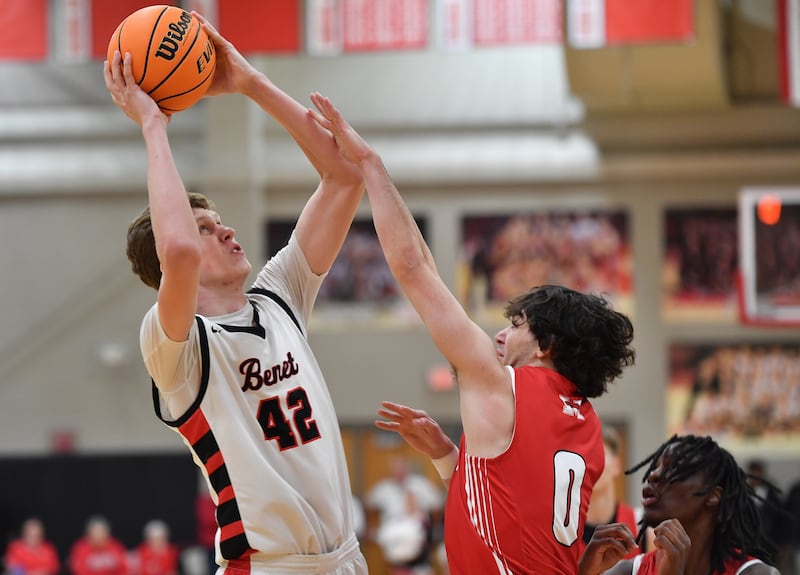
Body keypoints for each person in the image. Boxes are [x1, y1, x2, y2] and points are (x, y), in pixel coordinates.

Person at [309, 94, 636, 574]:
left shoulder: (504, 385)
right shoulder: (586, 424)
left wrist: (369, 163)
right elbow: (511, 511)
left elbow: (414, 269)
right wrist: (448, 456)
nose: (500, 337)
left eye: (516, 325)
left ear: (546, 346)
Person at [103, 11, 367, 575]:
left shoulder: (279, 298)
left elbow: (344, 175)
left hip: (347, 560)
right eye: (204, 227)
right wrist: (153, 125)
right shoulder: (174, 347)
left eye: (218, 220)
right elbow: (177, 254)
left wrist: (249, 82)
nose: (225, 230)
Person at [578, 434, 782, 575]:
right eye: (655, 467)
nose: (652, 476)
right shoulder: (627, 571)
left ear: (713, 496)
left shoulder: (755, 573)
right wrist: (585, 572)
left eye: (673, 468)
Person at [365, 456, 444, 575]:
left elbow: (437, 505)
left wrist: (436, 529)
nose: (399, 474)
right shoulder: (384, 488)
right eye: (396, 471)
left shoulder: (420, 485)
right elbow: (368, 504)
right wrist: (370, 528)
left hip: (417, 537)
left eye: (401, 470)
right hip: (394, 537)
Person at [580, 425, 641, 560]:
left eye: (598, 454)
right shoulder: (560, 532)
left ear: (617, 465)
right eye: (584, 455)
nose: (591, 463)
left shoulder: (642, 527)